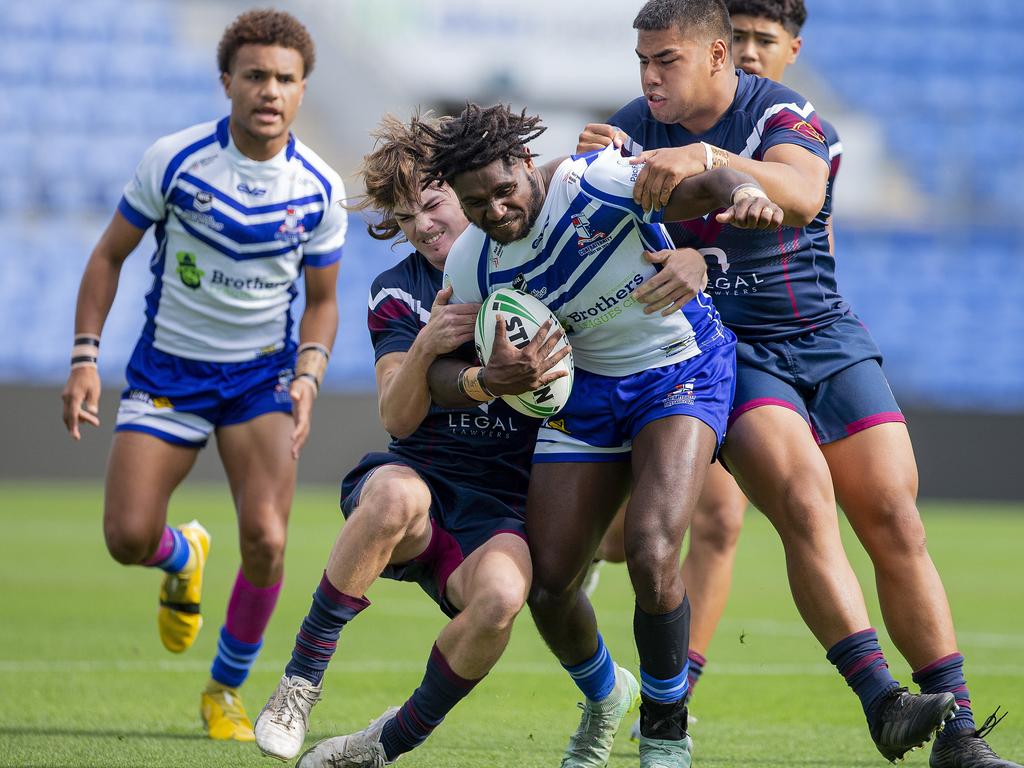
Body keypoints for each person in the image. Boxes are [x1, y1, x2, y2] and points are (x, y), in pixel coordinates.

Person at [579, 1, 1021, 766]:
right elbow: (593, 222)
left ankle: (957, 735)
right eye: (642, 63)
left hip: (826, 338)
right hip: (730, 348)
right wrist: (620, 187)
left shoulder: (783, 110)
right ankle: (881, 699)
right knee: (802, 502)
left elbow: (804, 192)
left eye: (666, 62)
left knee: (894, 515)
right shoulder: (630, 128)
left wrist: (715, 164)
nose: (649, 77)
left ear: (715, 57)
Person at [422, 102, 783, 768]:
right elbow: (442, 372)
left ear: (527, 165)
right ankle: (602, 696)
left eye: (504, 191)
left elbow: (711, 186)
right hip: (584, 395)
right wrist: (484, 379)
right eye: (477, 204)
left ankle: (667, 728)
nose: (497, 211)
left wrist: (751, 191)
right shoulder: (472, 265)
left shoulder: (594, 182)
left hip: (679, 370)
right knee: (551, 584)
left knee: (650, 549)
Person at [59, 9, 346, 742]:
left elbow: (322, 303)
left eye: (285, 78)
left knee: (269, 539)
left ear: (303, 89)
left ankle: (225, 690)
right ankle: (181, 554)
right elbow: (106, 256)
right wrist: (85, 356)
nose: (269, 91)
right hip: (169, 373)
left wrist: (309, 377)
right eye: (255, 75)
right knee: (126, 537)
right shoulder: (175, 160)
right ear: (227, 82)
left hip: (260, 384)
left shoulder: (318, 187)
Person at [252, 114, 563, 767]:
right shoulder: (395, 289)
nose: (421, 223)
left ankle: (385, 744)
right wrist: (429, 339)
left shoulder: (534, 266)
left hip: (497, 511)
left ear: (468, 191)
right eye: (404, 211)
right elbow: (395, 417)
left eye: (432, 201)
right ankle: (299, 683)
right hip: (418, 487)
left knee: (503, 599)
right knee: (392, 499)